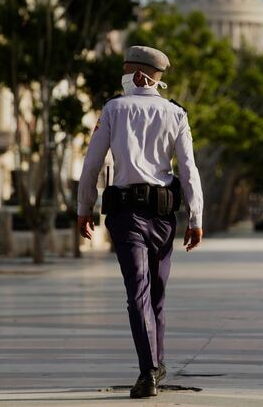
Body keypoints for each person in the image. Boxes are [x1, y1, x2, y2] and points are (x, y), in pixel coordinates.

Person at [76, 45, 204, 399]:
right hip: (163, 217)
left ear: (139, 75)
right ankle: (150, 368)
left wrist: (82, 208)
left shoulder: (114, 109)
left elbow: (91, 163)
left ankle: (153, 368)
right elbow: (189, 170)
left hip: (127, 215)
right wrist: (196, 217)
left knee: (141, 293)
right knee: (152, 294)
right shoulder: (177, 114)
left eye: (126, 69)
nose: (123, 75)